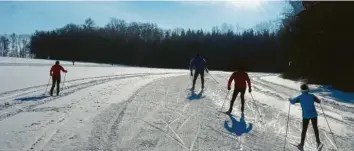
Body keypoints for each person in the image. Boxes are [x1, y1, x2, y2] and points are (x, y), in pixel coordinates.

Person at [289, 84, 322, 149]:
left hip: (306, 116)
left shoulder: (300, 97)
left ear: (301, 90)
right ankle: (318, 142)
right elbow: (319, 101)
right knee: (315, 128)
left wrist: (290, 99)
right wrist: (318, 99)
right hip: (314, 115)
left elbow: (292, 102)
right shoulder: (312, 96)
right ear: (307, 89)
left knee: (304, 130)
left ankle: (301, 144)